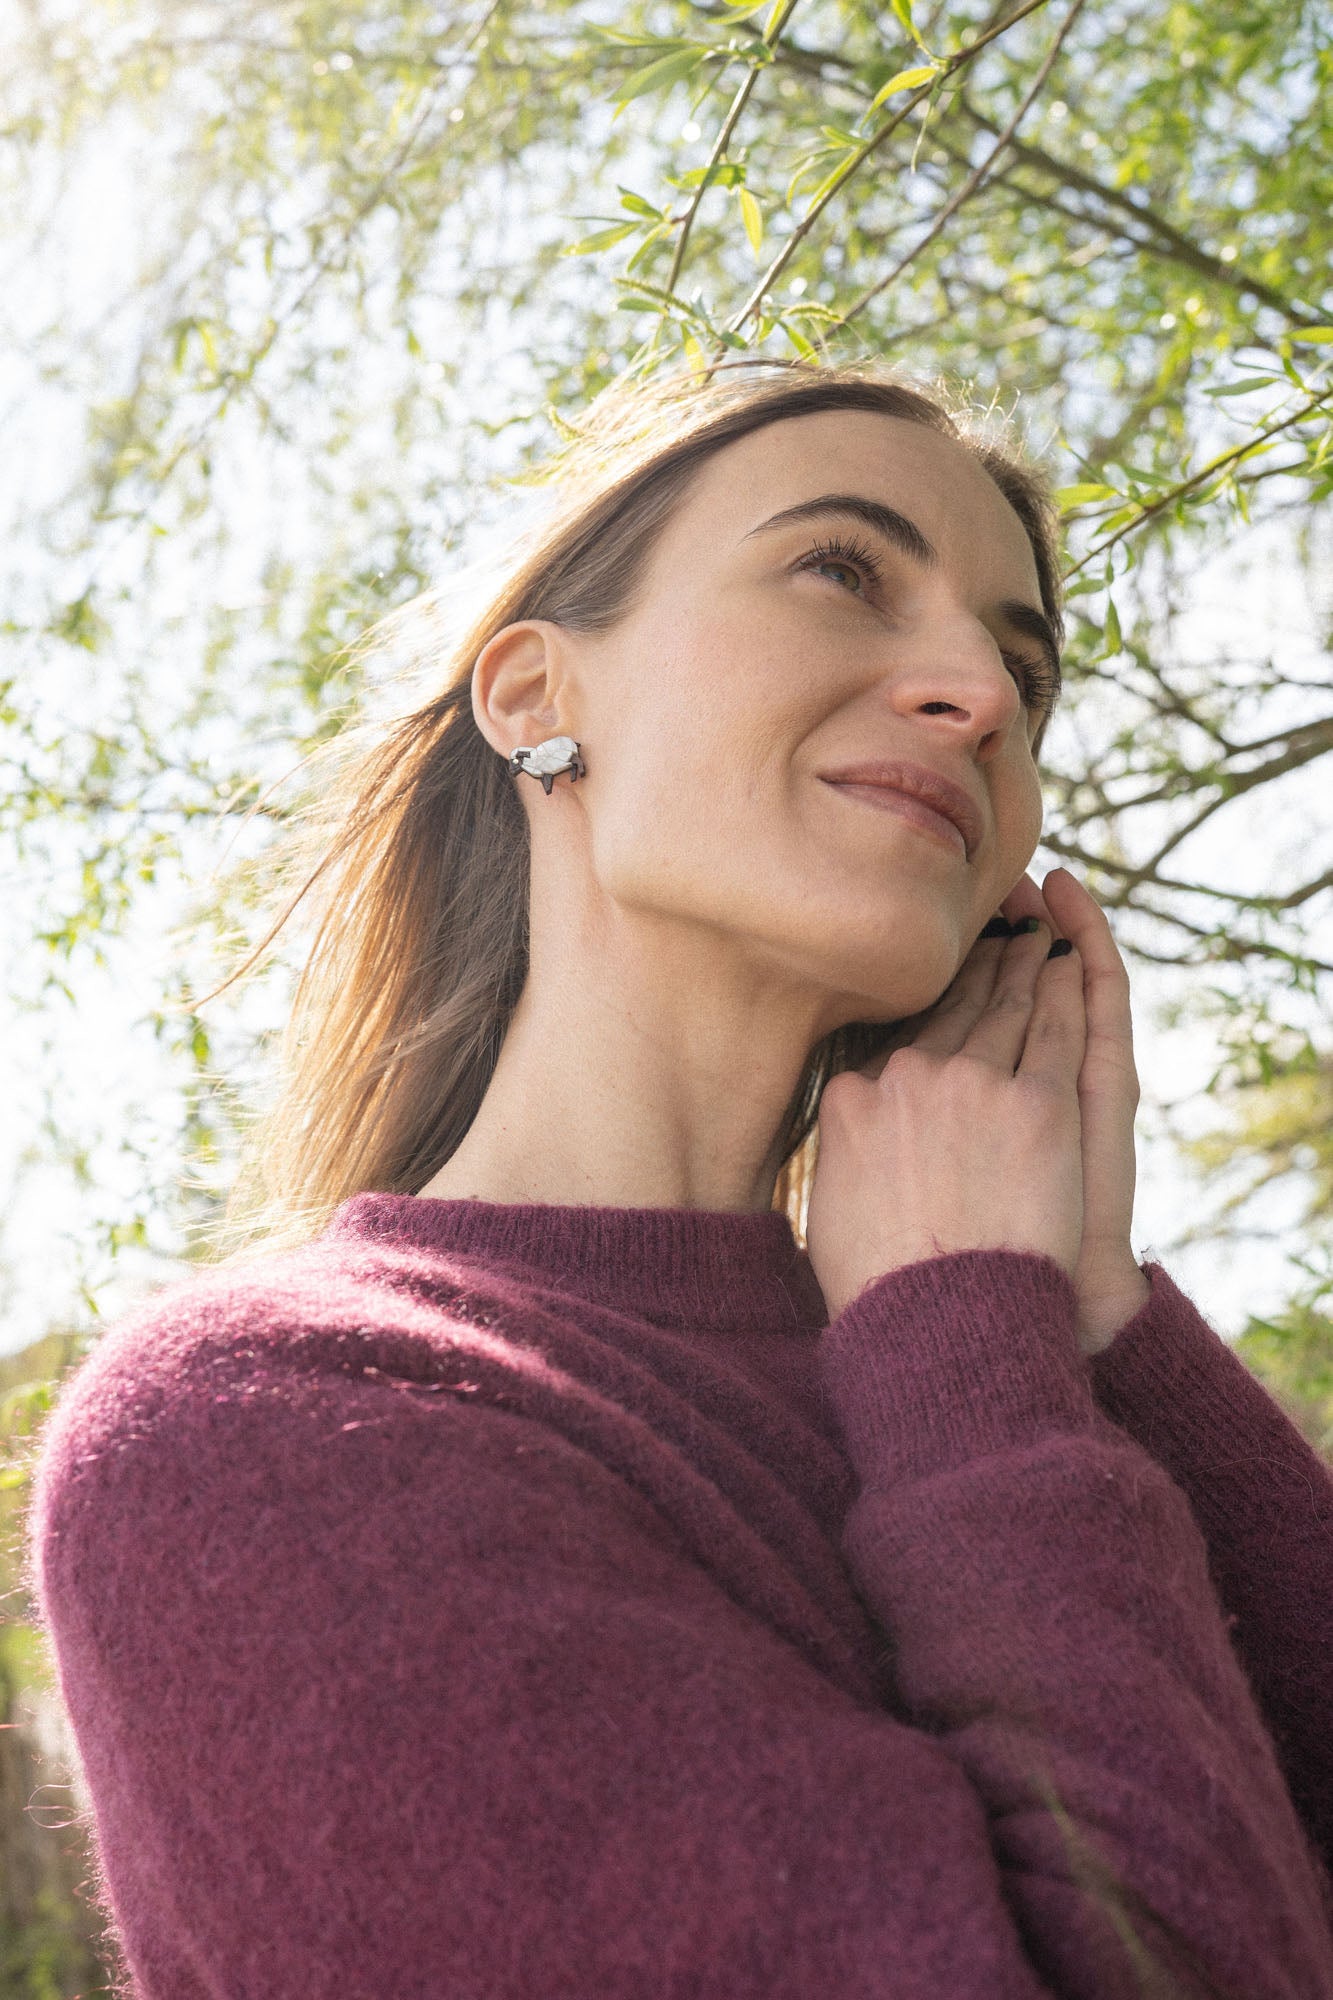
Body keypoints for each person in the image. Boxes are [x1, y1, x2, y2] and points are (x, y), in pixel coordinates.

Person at [23, 359, 1333, 1999]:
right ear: (533, 696)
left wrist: (1085, 1314)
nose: (978, 694)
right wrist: (977, 1360)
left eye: (1022, 664)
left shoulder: (994, 1352)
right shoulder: (262, 1425)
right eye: (843, 571)